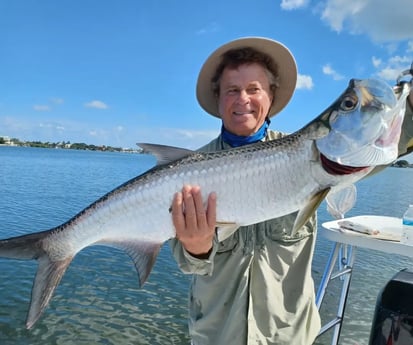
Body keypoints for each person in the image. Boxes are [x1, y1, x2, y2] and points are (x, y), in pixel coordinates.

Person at [168, 37, 413, 345]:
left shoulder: (315, 151)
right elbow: (187, 264)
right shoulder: (187, 174)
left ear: (271, 96)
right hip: (216, 334)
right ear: (218, 98)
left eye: (254, 88)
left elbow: (392, 139)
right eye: (232, 89)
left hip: (288, 335)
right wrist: (196, 246)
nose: (242, 98)